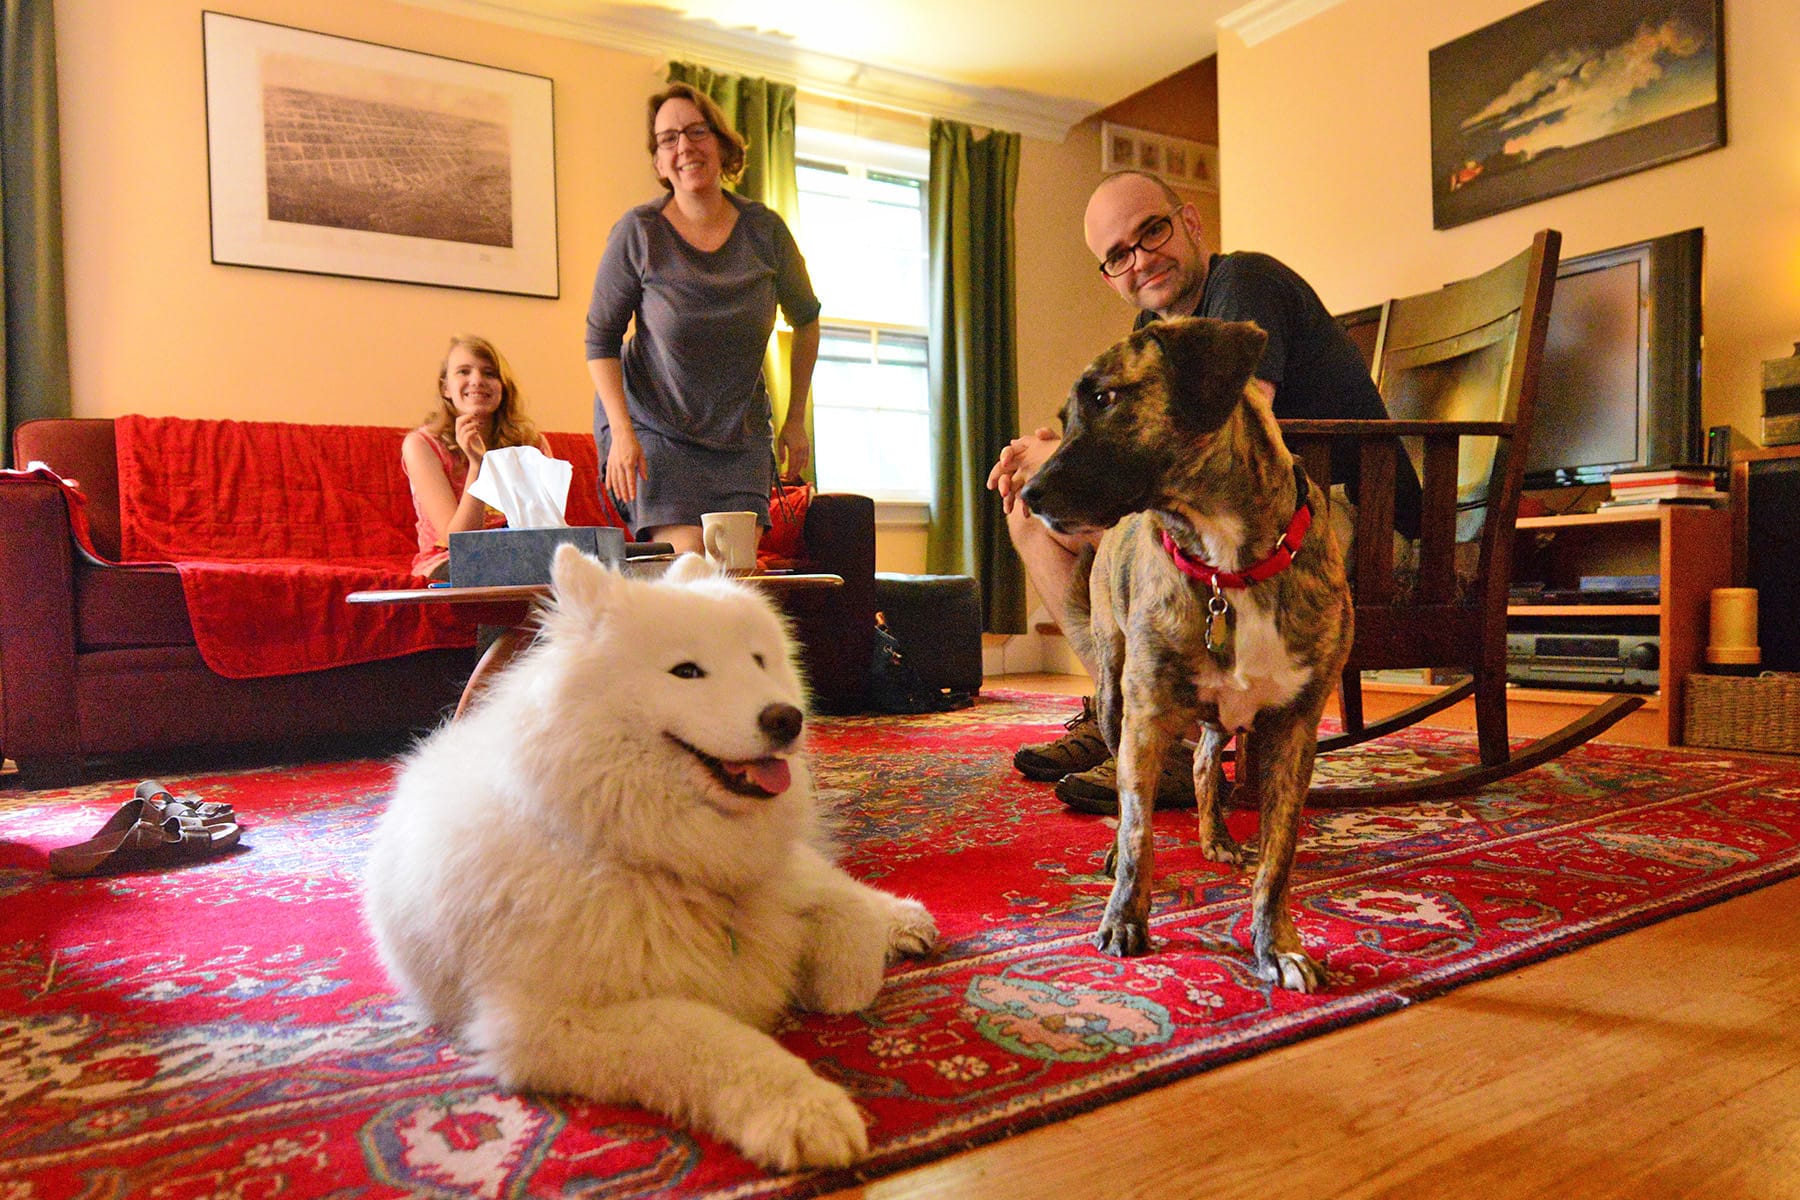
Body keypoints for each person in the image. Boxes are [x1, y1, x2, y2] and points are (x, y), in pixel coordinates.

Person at [988, 169, 1423, 813]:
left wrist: (1061, 458)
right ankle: (1126, 710)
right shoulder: (1152, 331)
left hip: (1347, 519)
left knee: (1147, 528)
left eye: (1152, 232)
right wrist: (1066, 456)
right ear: (1109, 276)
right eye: (1118, 255)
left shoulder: (1245, 281)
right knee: (1032, 515)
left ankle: (1168, 743)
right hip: (1243, 527)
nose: (1141, 260)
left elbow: (1228, 433)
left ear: (1190, 223)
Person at [585, 82, 822, 557]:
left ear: (721, 144)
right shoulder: (639, 232)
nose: (685, 147)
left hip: (740, 435)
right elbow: (601, 339)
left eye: (697, 131)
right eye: (668, 139)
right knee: (690, 561)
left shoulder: (765, 231)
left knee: (733, 569)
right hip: (654, 430)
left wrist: (795, 419)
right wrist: (623, 434)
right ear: (658, 162)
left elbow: (806, 319)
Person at [402, 335, 552, 580]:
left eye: (490, 373)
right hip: (451, 560)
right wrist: (478, 466)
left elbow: (546, 529)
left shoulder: (531, 444)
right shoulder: (421, 445)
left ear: (503, 387)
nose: (477, 381)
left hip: (520, 555)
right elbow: (458, 541)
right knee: (503, 572)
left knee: (592, 565)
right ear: (445, 388)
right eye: (463, 371)